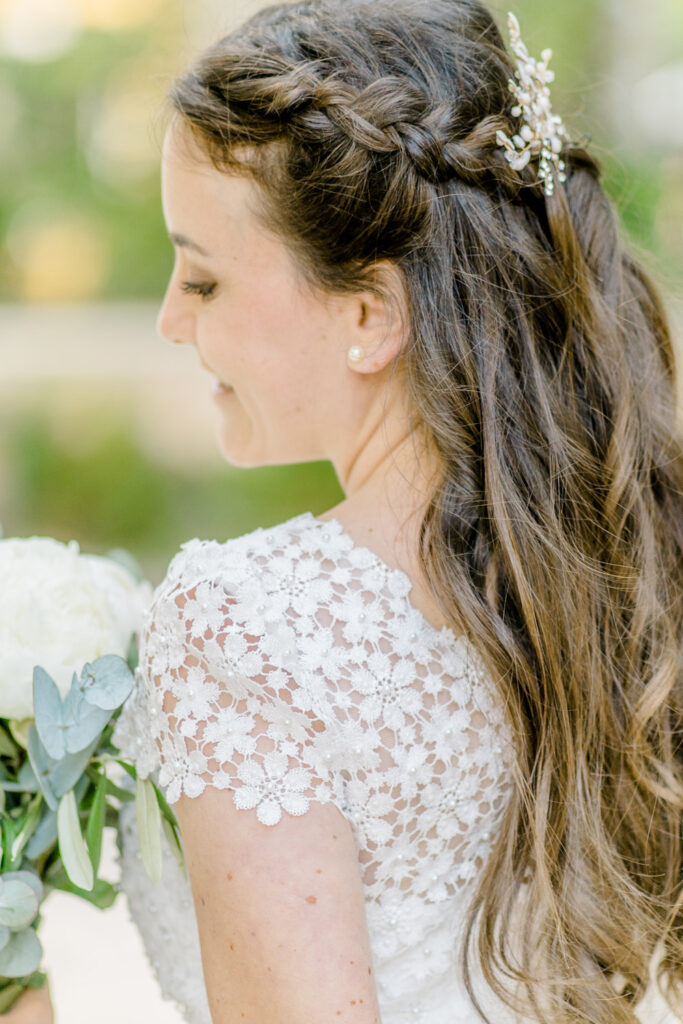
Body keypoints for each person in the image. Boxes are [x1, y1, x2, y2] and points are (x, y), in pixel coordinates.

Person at [16, 1, 682, 1022]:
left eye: (202, 276)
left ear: (369, 316)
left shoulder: (243, 623)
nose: (167, 317)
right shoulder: (591, 571)